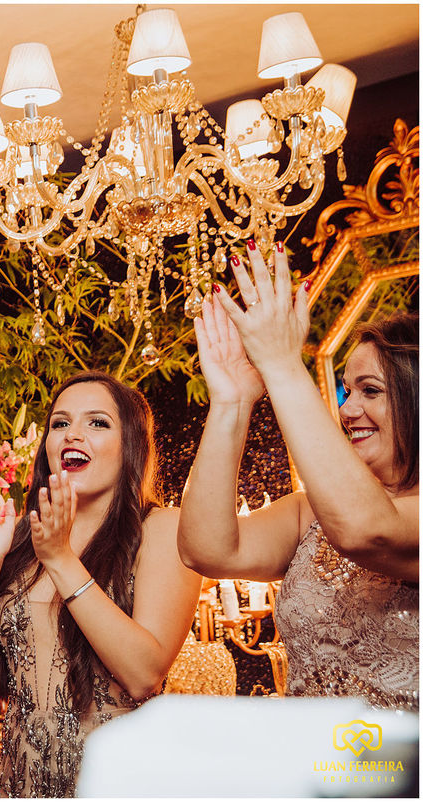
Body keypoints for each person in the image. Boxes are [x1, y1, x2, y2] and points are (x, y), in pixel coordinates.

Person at [178, 242, 418, 711]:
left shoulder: (366, 520)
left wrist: (285, 364)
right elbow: (205, 549)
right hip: (314, 769)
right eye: (348, 391)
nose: (347, 410)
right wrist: (232, 401)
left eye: (371, 391)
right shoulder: (312, 513)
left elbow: (366, 530)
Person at [0, 371, 201, 797]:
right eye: (60, 423)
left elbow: (142, 675)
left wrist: (61, 560)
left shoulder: (163, 530)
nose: (72, 434)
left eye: (97, 422)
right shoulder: (21, 538)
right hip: (21, 784)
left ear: (130, 445)